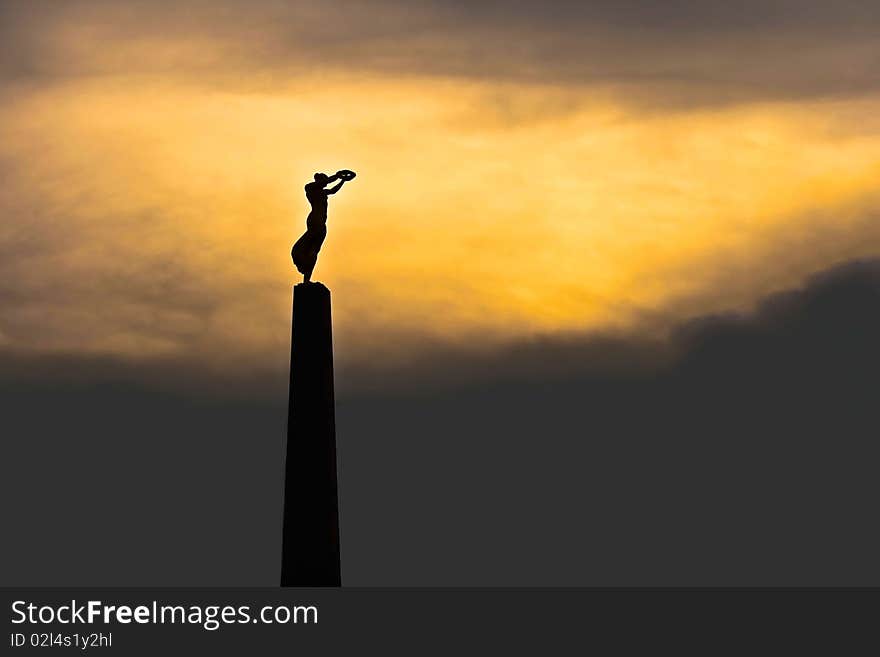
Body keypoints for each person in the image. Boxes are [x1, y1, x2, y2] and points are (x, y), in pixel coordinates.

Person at [291, 170, 355, 282]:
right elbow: (328, 181)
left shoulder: (323, 192)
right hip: (315, 221)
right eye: (323, 181)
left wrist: (343, 181)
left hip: (322, 225)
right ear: (319, 180)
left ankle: (306, 279)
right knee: (308, 248)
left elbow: (333, 190)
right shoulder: (310, 188)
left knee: (314, 251)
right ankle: (302, 260)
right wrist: (337, 175)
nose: (325, 183)